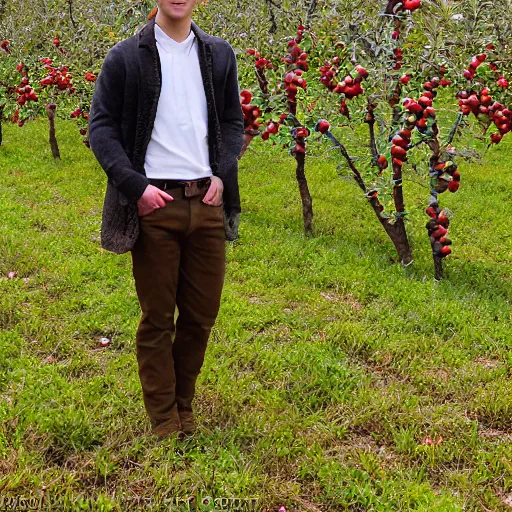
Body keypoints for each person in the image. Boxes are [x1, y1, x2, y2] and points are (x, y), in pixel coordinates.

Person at [88, 0, 244, 439]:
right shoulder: (126, 57)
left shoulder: (218, 54)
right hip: (156, 205)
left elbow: (233, 122)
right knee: (158, 317)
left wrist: (222, 173)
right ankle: (164, 420)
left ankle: (183, 403)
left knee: (200, 316)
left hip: (207, 201)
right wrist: (134, 187)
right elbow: (101, 128)